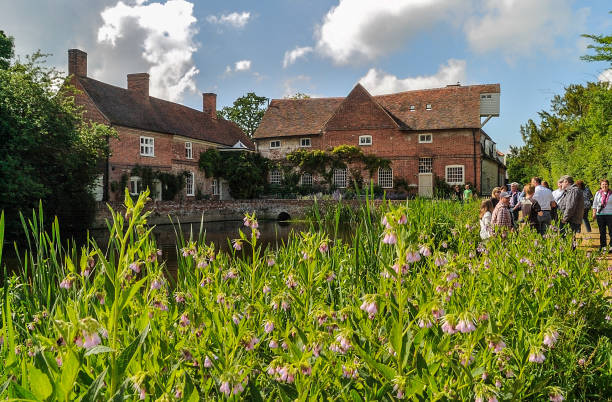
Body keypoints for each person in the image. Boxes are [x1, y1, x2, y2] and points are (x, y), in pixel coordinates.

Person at [592, 179, 612, 252]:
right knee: (602, 231)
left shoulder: (611, 193)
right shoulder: (598, 193)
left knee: (611, 231)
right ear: (600, 186)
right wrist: (594, 213)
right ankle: (603, 246)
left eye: (606, 184)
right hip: (600, 215)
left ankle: (611, 246)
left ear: (608, 185)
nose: (604, 186)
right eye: (603, 184)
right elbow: (594, 204)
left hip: (610, 215)